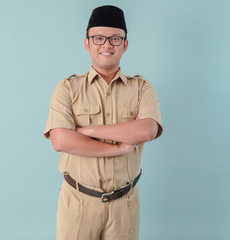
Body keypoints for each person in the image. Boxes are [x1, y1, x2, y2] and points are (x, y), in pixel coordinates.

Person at [43, 5, 163, 240]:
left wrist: (87, 130)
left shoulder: (141, 89)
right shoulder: (68, 89)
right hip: (78, 203)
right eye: (98, 38)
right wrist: (120, 147)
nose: (107, 45)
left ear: (125, 45)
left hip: (124, 205)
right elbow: (60, 140)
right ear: (87, 43)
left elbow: (148, 129)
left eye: (115, 39)